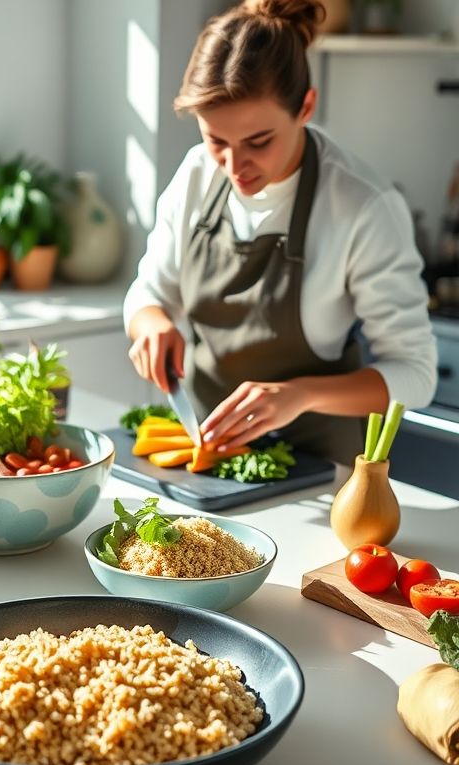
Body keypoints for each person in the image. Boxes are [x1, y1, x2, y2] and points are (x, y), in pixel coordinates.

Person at [122, 0, 437, 464]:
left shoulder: (362, 205)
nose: (233, 166)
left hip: (321, 465)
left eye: (258, 142)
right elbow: (149, 291)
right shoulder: (195, 176)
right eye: (216, 141)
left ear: (305, 107)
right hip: (210, 455)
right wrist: (151, 323)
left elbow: (416, 374)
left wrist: (298, 395)